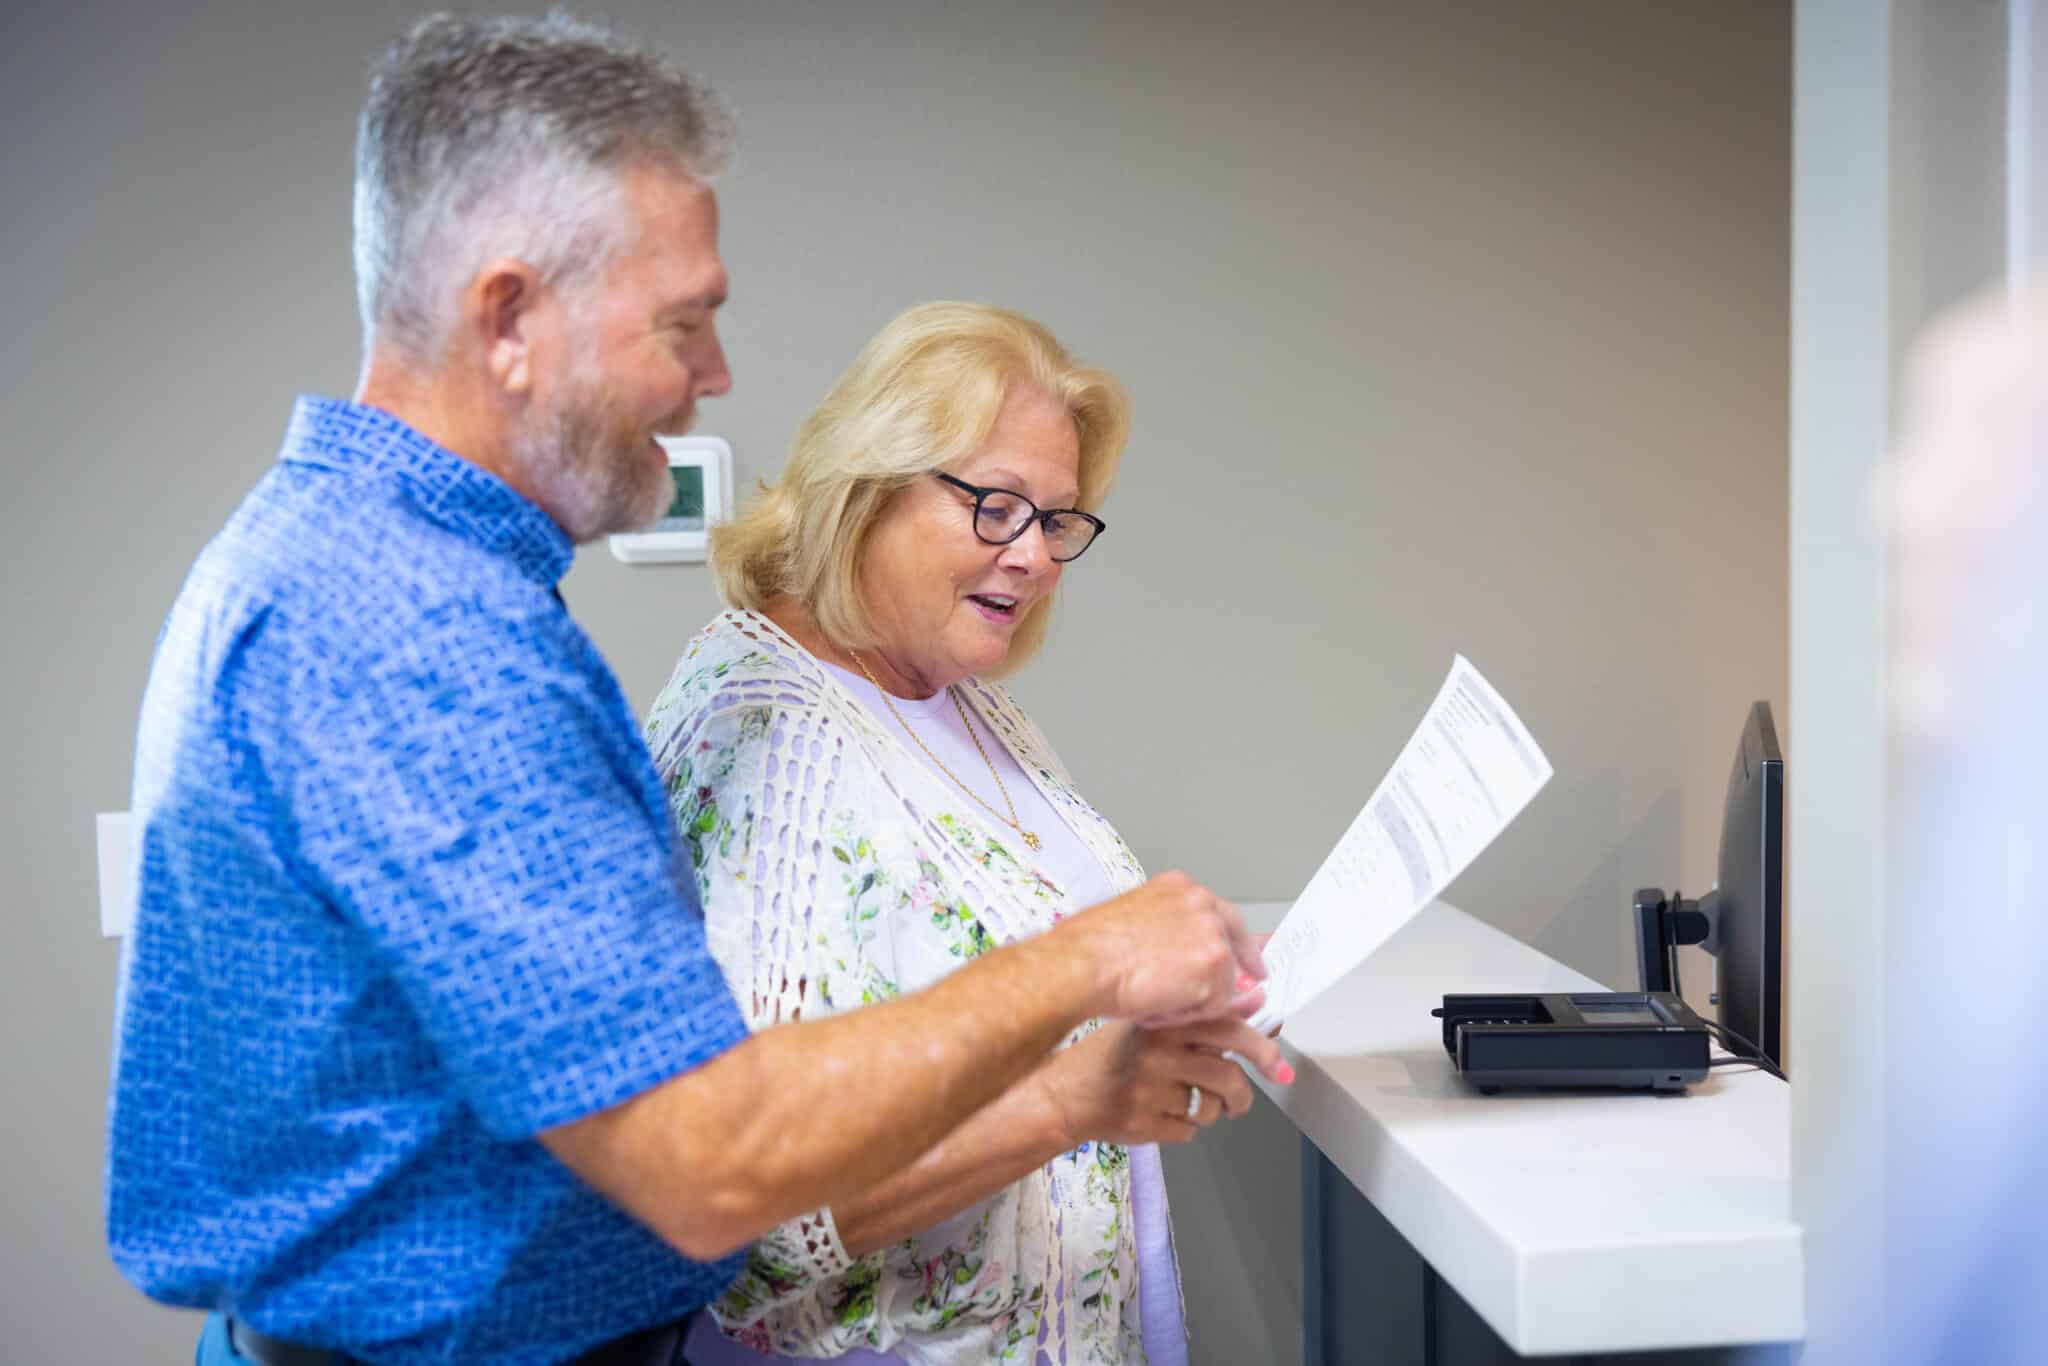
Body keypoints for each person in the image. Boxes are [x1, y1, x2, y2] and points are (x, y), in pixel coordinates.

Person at [104, 16, 1280, 1366]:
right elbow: (711, 1164)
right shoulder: (411, 632)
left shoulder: (378, 566)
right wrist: (1088, 959)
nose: (715, 375)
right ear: (509, 319)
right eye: (683, 323)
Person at [647, 302, 1283, 1366]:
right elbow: (745, 1227)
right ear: (865, 486)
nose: (1033, 556)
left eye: (1058, 520)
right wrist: (1064, 1103)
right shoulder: (763, 735)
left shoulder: (958, 697)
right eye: (995, 506)